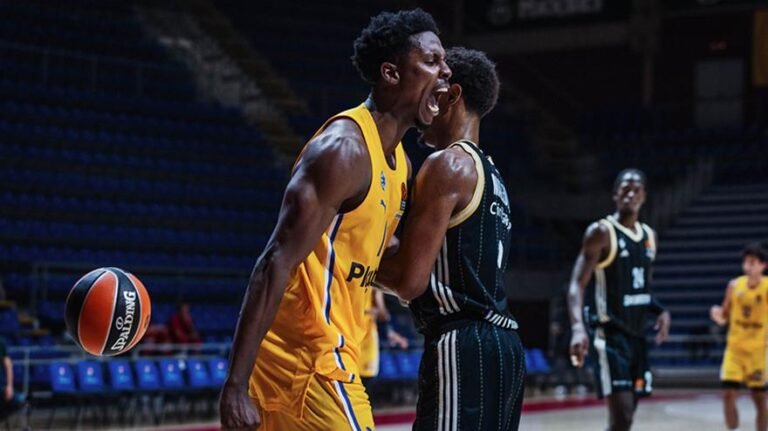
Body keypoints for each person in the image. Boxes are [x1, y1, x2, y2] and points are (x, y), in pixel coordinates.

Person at [219, 9, 451, 431]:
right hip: (311, 361)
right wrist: (235, 384)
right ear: (391, 73)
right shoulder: (343, 151)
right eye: (432, 60)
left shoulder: (400, 164)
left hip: (320, 358)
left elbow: (371, 252)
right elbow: (274, 262)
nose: (446, 71)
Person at [375, 47, 525, 431]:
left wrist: (350, 260)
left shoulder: (447, 164)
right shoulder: (493, 176)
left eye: (435, 91)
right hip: (504, 344)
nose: (426, 101)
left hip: (463, 342)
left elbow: (409, 281)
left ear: (452, 95)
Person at [567, 168, 671, 431]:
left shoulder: (649, 236)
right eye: (625, 189)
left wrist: (660, 310)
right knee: (622, 415)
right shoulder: (601, 232)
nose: (631, 194)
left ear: (644, 196)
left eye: (637, 190)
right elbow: (577, 284)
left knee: (625, 419)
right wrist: (578, 328)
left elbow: (641, 286)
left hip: (637, 336)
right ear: (615, 194)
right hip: (609, 336)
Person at [710, 243, 768, 431]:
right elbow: (724, 315)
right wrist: (717, 315)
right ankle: (732, 429)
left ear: (763, 265)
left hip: (758, 352)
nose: (747, 266)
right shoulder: (734, 286)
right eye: (745, 262)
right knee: (728, 394)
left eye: (752, 262)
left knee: (759, 399)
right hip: (734, 350)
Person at [359, 289, 409, 380]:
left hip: (363, 331)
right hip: (358, 331)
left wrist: (389, 331)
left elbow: (381, 312)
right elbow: (382, 313)